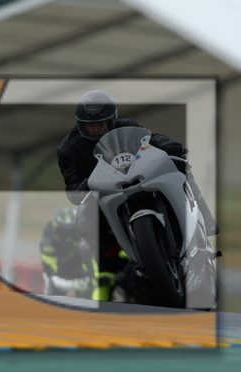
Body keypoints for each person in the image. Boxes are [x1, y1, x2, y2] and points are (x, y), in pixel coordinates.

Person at [56, 90, 218, 299]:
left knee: (180, 164)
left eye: (102, 123)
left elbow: (149, 139)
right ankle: (115, 262)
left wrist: (165, 143)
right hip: (104, 193)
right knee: (85, 226)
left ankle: (203, 214)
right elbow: (72, 188)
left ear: (112, 119)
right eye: (91, 125)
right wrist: (85, 186)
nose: (97, 129)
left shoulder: (126, 126)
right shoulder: (68, 148)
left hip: (139, 178)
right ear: (81, 125)